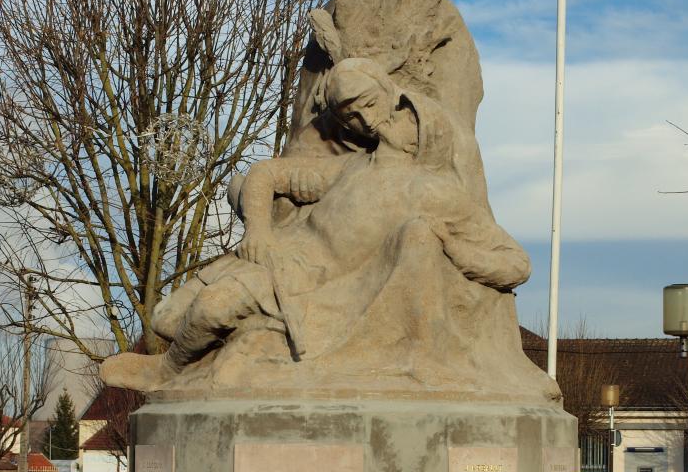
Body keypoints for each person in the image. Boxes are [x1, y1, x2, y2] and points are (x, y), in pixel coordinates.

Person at [101, 59, 529, 392]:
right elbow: (266, 173)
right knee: (166, 318)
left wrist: (452, 251)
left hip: (315, 285)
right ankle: (201, 353)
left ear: (424, 134)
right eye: (354, 112)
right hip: (276, 253)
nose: (373, 121)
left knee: (213, 310)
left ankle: (167, 370)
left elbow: (515, 263)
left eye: (400, 116)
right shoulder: (351, 167)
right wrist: (259, 233)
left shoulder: (436, 193)